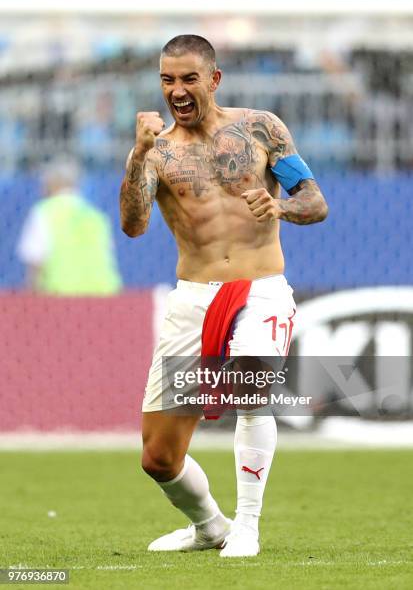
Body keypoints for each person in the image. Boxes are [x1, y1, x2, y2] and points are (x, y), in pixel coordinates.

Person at [120, 35, 328, 558]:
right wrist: (139, 154)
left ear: (213, 79)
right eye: (168, 80)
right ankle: (211, 526)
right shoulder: (157, 149)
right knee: (158, 458)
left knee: (249, 392)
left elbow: (314, 201)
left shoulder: (262, 128)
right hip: (193, 297)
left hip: (260, 289)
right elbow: (133, 225)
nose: (177, 90)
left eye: (189, 78)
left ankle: (248, 527)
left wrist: (280, 208)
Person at [17, 158, 122, 295]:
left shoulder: (43, 212)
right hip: (104, 296)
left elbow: (35, 264)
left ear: (52, 183)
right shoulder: (97, 217)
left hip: (62, 298)